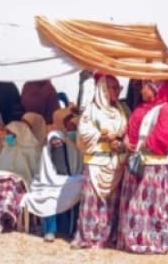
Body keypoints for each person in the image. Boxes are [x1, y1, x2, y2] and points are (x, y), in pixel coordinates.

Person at [118, 79, 168, 254]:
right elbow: (132, 130)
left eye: (145, 86)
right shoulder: (141, 109)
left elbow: (163, 138)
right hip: (138, 163)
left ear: (155, 88)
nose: (141, 89)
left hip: (154, 167)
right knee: (136, 203)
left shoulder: (167, 110)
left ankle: (151, 240)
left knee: (150, 204)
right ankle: (134, 238)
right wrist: (127, 140)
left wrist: (142, 145)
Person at [71, 72, 128, 249]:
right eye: (113, 88)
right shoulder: (91, 110)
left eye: (118, 88)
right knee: (92, 200)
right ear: (103, 89)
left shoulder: (123, 110)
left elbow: (129, 131)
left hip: (116, 163)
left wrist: (120, 141)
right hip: (96, 162)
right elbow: (84, 134)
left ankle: (106, 237)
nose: (117, 91)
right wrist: (104, 137)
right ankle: (87, 236)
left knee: (111, 202)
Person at [0, 120, 40, 234]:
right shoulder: (7, 148)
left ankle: (0, 220)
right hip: (4, 178)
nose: (8, 136)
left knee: (8, 186)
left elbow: (31, 171)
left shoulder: (31, 149)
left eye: (11, 134)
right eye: (7, 133)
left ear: (18, 134)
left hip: (22, 182)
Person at [21, 130, 83, 242]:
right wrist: (53, 180)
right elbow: (45, 173)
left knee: (78, 188)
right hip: (49, 183)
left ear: (63, 140)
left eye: (57, 140)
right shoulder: (46, 152)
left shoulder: (72, 150)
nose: (55, 143)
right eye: (53, 141)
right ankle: (50, 231)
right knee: (48, 199)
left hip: (68, 181)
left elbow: (76, 168)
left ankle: (71, 230)